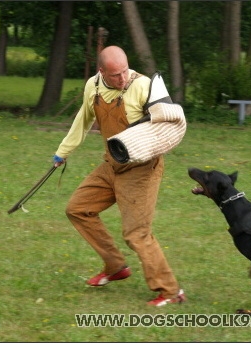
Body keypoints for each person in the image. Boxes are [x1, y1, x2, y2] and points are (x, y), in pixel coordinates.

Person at [52, 45, 185, 306]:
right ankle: (115, 267)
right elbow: (84, 117)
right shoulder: (93, 86)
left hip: (141, 171)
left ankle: (170, 291)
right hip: (111, 165)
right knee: (78, 208)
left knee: (136, 233)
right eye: (115, 75)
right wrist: (63, 151)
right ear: (101, 72)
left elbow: (168, 123)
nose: (122, 79)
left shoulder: (144, 86)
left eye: (125, 71)